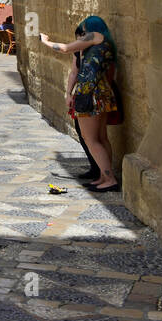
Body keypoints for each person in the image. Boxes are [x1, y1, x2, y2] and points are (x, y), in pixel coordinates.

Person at [41, 17, 119, 191]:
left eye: (84, 30)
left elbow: (65, 49)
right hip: (101, 92)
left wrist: (45, 41)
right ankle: (103, 176)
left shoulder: (95, 36)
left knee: (90, 139)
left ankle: (110, 179)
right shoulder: (102, 43)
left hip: (89, 94)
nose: (83, 35)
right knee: (101, 138)